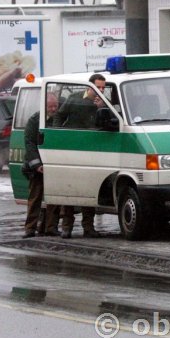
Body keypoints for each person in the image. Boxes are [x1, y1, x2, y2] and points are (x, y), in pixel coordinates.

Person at [54, 73, 106, 239]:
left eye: (103, 88)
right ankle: (67, 227)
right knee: (70, 189)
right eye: (98, 87)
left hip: (91, 150)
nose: (101, 90)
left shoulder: (105, 103)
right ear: (89, 86)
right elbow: (59, 115)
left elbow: (108, 122)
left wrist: (101, 108)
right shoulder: (75, 98)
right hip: (73, 148)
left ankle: (88, 227)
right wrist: (58, 135)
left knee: (89, 189)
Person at [22, 93, 61, 238]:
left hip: (54, 164)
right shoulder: (34, 120)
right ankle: (30, 228)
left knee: (54, 199)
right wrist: (37, 164)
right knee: (35, 198)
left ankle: (51, 227)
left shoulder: (59, 119)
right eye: (50, 106)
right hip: (37, 167)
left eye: (55, 106)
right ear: (44, 106)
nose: (53, 109)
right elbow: (29, 143)